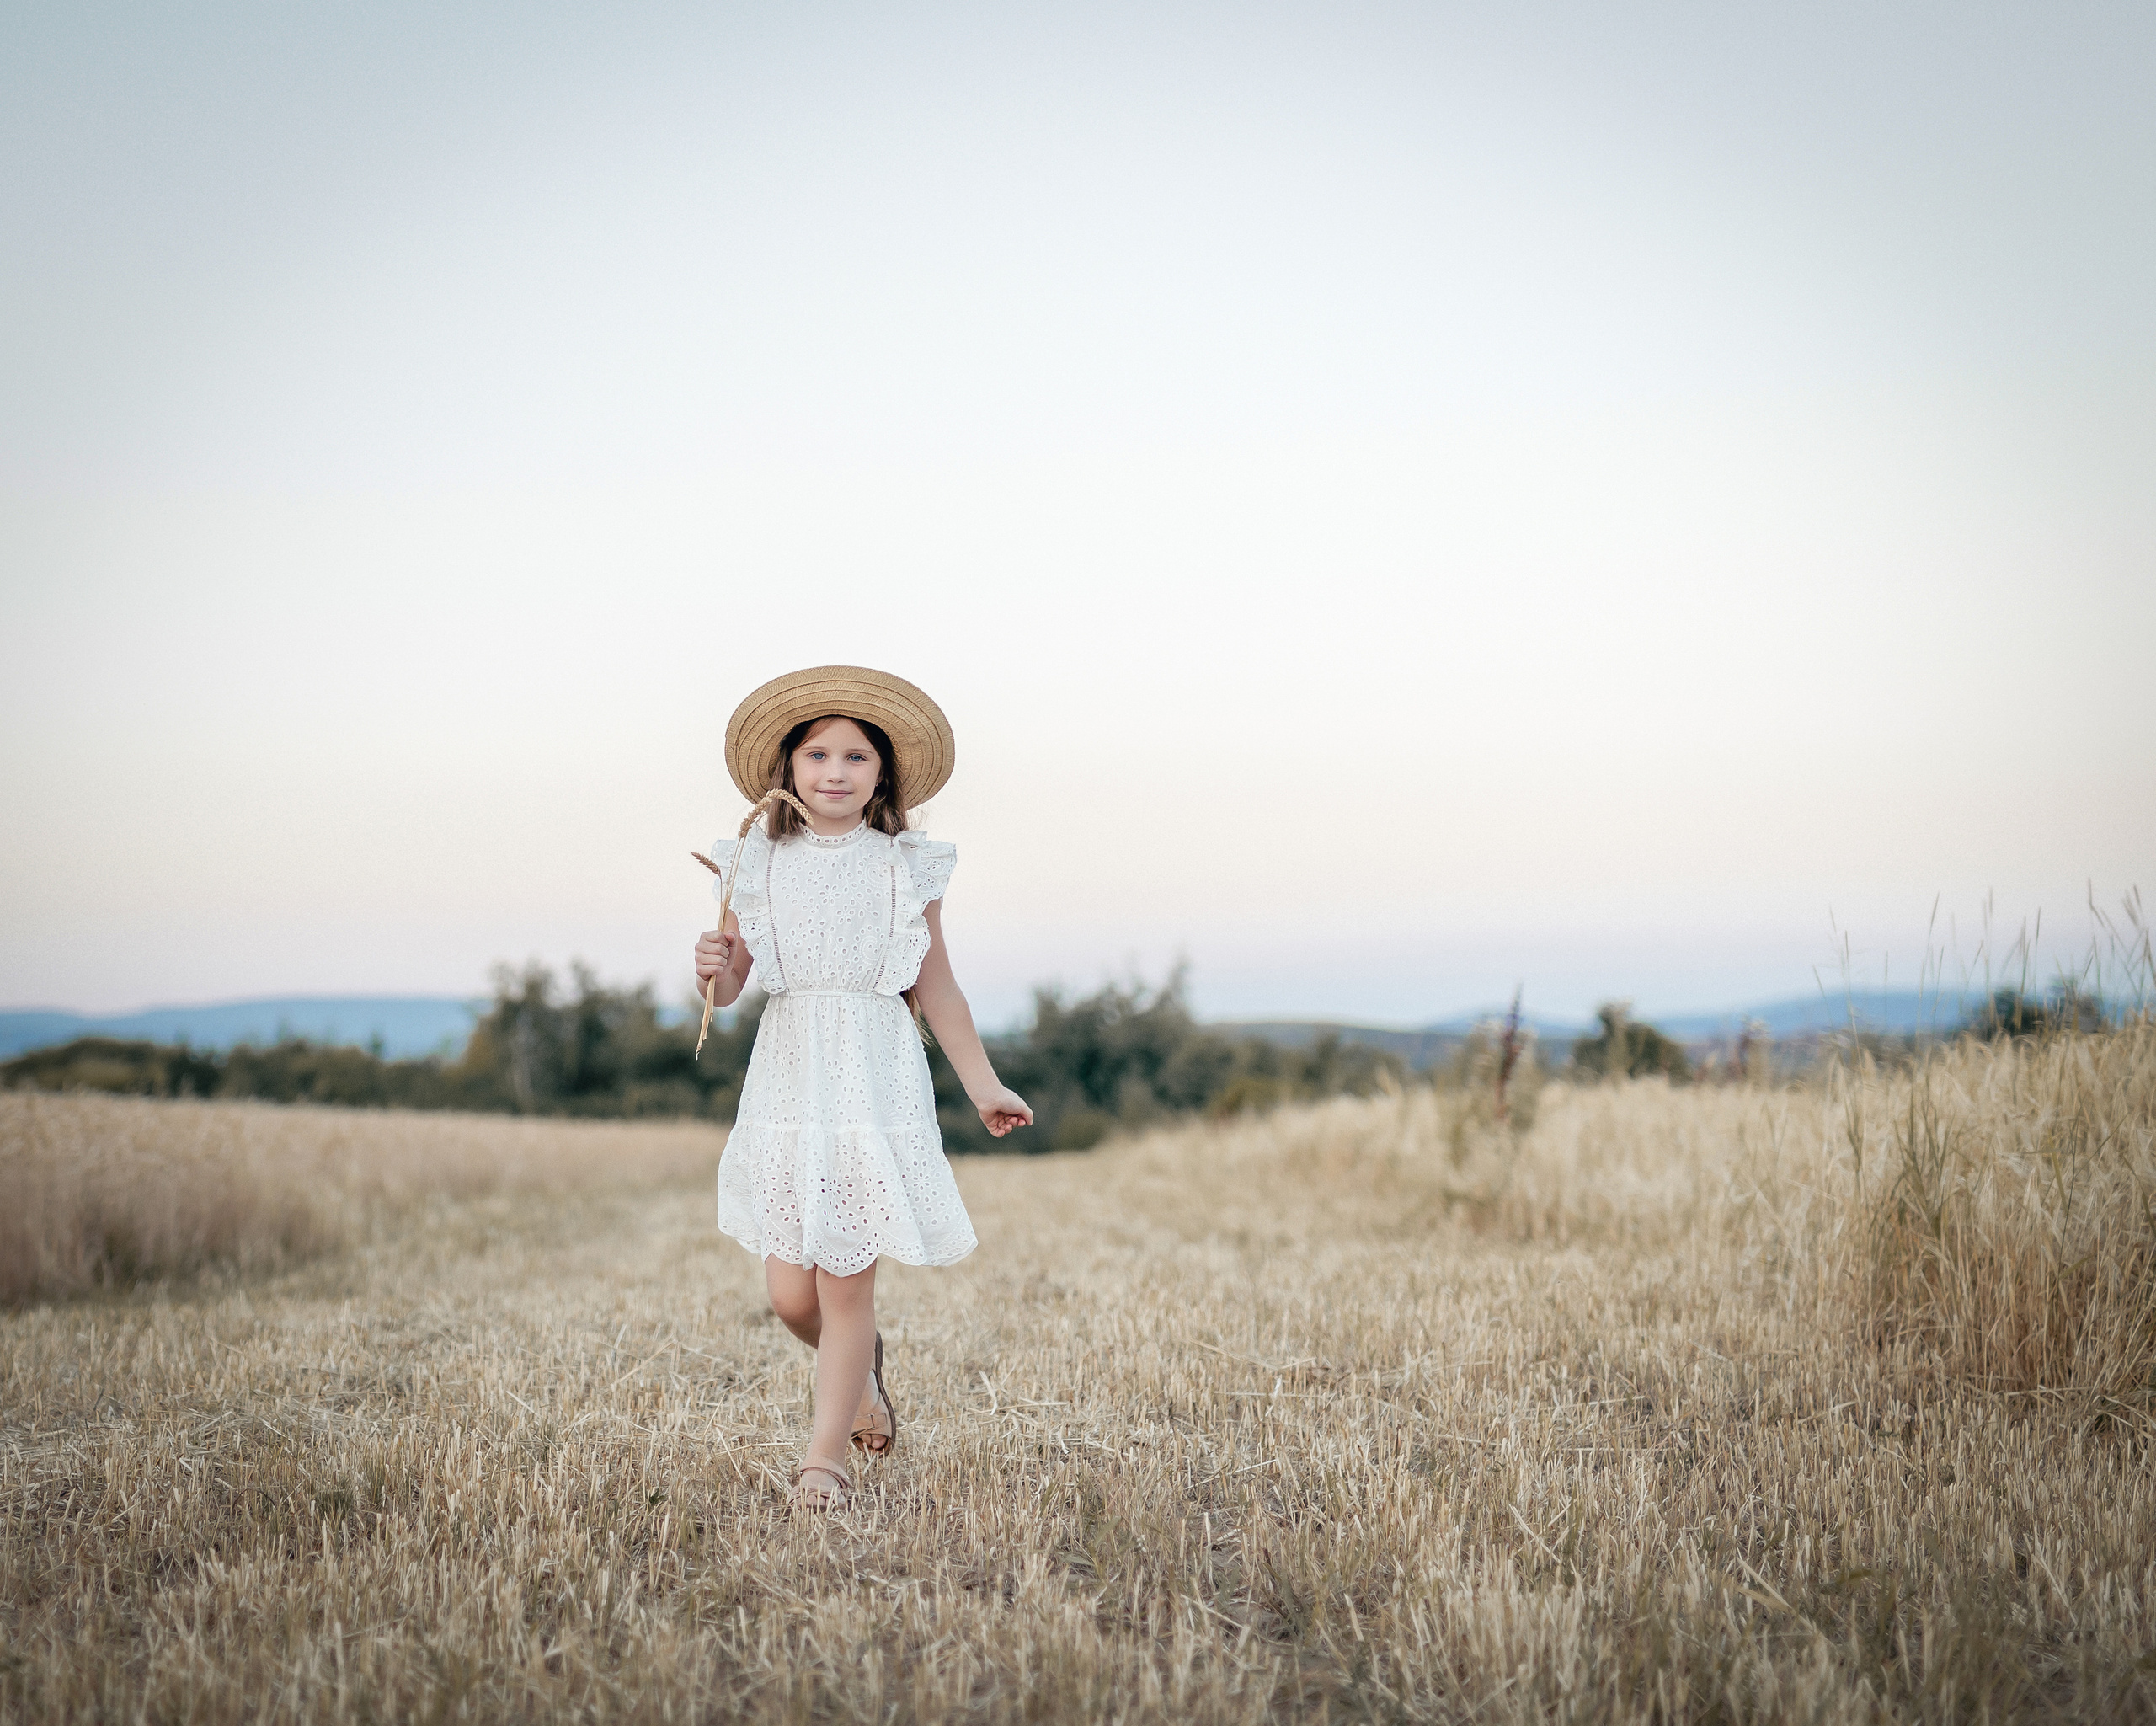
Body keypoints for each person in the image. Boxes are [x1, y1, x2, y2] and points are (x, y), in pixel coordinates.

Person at [693, 665, 1033, 1510]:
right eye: (817, 755)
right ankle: (863, 1378)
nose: (835, 772)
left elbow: (938, 988)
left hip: (872, 1074)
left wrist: (983, 1084)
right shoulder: (752, 863)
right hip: (788, 1069)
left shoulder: (903, 868)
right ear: (788, 768)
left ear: (883, 775)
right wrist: (713, 965)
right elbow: (730, 987)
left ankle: (824, 1458)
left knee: (845, 1282)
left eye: (855, 757)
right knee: (787, 1294)